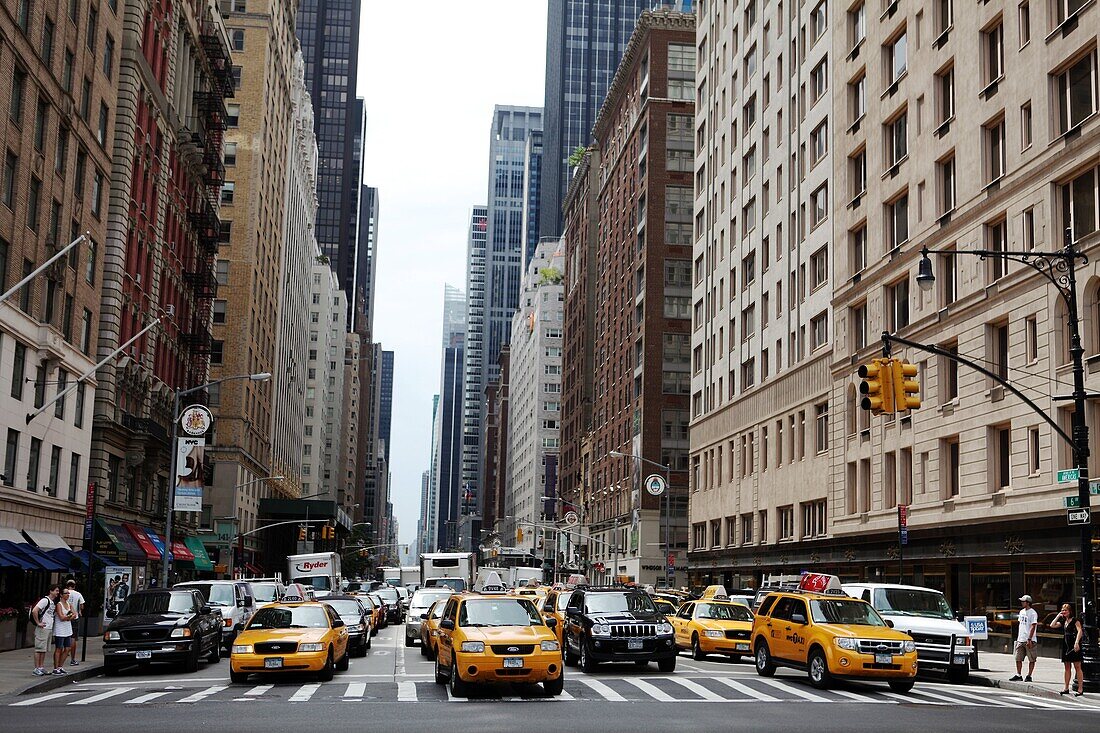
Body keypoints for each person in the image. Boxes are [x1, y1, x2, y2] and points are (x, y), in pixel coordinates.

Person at [1050, 603, 1085, 697]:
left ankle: (1080, 688)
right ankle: (1066, 688)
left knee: (1077, 666)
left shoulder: (1075, 620)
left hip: (1074, 645)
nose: (1063, 611)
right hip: (1066, 646)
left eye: (1065, 610)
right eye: (1062, 610)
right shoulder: (1063, 621)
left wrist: (1077, 642)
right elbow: (1052, 625)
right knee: (1067, 667)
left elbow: (1080, 631)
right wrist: (1058, 616)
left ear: (1070, 611)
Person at [30, 585, 61, 676]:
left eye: (58, 591)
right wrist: (38, 622)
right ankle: (36, 668)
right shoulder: (45, 600)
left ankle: (41, 667)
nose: (57, 593)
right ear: (51, 591)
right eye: (56, 590)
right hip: (42, 628)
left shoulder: (52, 602)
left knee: (43, 649)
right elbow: (35, 611)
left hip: (48, 628)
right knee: (39, 648)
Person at [1010, 594, 1039, 682]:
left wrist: (1029, 639)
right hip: (1020, 638)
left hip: (1030, 639)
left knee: (1032, 659)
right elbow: (1021, 625)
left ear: (1028, 602)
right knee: (1018, 658)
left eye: (1023, 601)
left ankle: (1029, 675)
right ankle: (1018, 674)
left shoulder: (1033, 613)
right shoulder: (1021, 612)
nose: (1022, 603)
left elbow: (1033, 626)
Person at [52, 589, 77, 675]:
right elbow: (61, 617)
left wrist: (68, 617)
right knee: (59, 648)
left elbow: (75, 614)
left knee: (67, 648)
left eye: (68, 593)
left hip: (67, 629)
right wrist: (69, 617)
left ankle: (60, 666)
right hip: (60, 629)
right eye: (66, 593)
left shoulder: (69, 604)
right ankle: (55, 668)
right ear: (61, 595)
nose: (68, 595)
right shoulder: (59, 604)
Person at [65, 579, 85, 666]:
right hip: (74, 617)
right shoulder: (78, 594)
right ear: (74, 586)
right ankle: (72, 659)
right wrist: (80, 610)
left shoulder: (64, 593)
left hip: (65, 617)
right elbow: (82, 605)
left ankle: (63, 654)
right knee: (73, 638)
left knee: (64, 637)